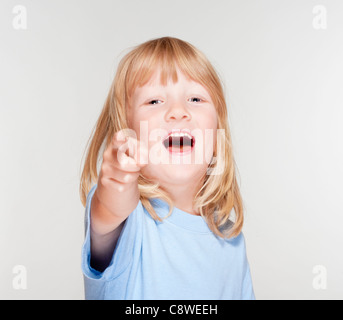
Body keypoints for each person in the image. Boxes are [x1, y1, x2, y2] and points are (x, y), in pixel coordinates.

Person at [79, 36, 255, 300]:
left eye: (195, 99)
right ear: (127, 132)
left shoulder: (230, 239)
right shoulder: (128, 219)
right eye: (154, 101)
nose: (178, 111)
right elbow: (111, 208)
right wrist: (117, 182)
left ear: (217, 134)